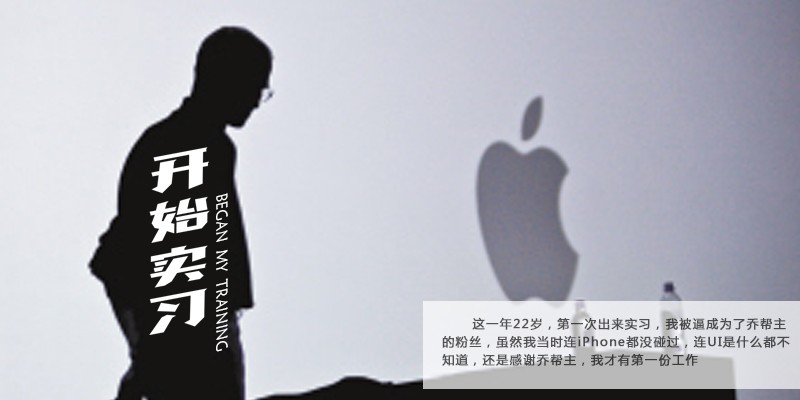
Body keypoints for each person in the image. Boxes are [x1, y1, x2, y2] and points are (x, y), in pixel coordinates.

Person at [89, 26, 273, 400]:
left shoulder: (207, 147)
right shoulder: (180, 146)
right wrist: (146, 354)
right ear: (227, 79)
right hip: (187, 349)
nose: (257, 101)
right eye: (256, 86)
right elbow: (113, 259)